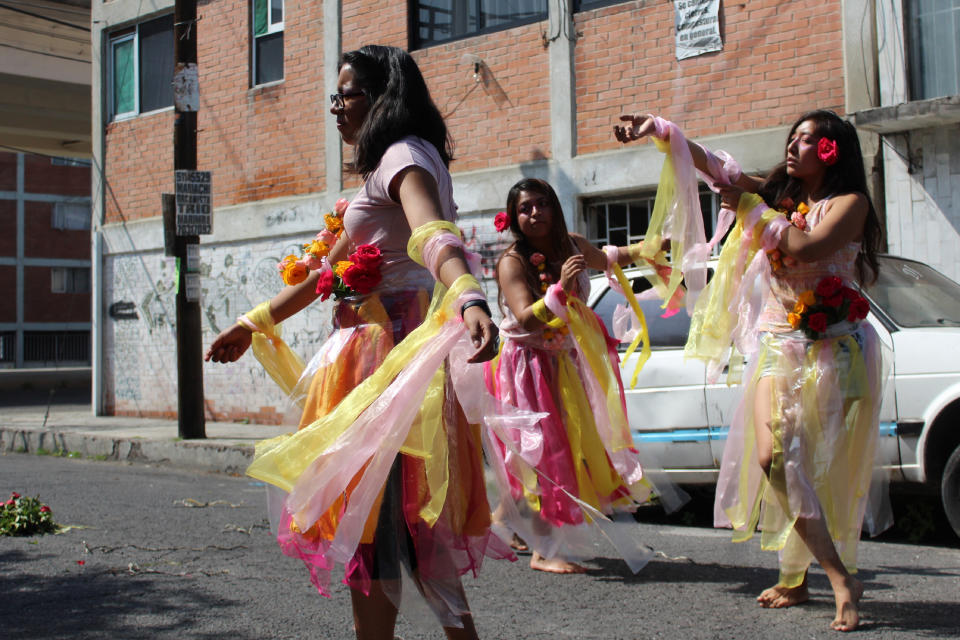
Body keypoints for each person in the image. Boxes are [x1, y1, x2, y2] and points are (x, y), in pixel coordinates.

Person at [206, 45, 507, 640]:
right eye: (334, 96)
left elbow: (431, 235)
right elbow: (326, 275)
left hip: (390, 367)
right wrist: (253, 321)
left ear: (382, 97)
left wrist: (470, 294)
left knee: (385, 530)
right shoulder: (387, 166)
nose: (336, 107)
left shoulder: (403, 157)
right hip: (379, 367)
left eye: (347, 94)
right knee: (380, 531)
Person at [614, 110, 890, 632]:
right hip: (776, 345)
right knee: (774, 459)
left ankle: (805, 576)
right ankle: (839, 577)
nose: (795, 145)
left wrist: (751, 209)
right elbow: (717, 170)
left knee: (818, 468)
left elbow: (806, 245)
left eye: (809, 139)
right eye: (793, 136)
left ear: (833, 150)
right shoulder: (780, 195)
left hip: (833, 350)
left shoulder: (850, 205)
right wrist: (661, 129)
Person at [484, 177, 683, 575]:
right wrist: (558, 289)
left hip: (564, 361)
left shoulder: (571, 245)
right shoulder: (513, 261)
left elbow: (607, 258)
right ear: (515, 217)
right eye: (525, 208)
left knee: (558, 449)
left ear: (554, 208)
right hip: (527, 363)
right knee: (546, 451)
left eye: (541, 204)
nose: (534, 213)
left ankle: (501, 521)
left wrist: (647, 249)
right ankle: (543, 551)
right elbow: (525, 316)